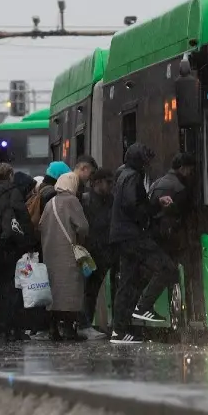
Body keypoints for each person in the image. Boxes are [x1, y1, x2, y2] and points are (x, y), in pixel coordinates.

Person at [108, 143, 175, 344]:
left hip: (120, 236)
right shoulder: (133, 176)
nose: (148, 164)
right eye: (146, 160)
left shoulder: (122, 174)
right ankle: (143, 308)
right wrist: (154, 206)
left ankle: (119, 331)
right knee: (166, 268)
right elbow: (132, 205)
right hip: (133, 235)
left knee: (127, 282)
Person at [0, 166, 39, 341]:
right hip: (12, 247)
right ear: (10, 175)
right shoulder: (13, 192)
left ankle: (0, 327)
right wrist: (30, 242)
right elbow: (22, 218)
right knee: (15, 288)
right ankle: (15, 328)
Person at [39, 172, 91, 341]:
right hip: (68, 254)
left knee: (54, 292)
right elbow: (83, 226)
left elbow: (40, 226)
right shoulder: (72, 201)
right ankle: (69, 329)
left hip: (50, 254)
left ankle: (53, 329)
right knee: (71, 291)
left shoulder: (50, 202)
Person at [80, 167, 115, 337]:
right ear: (97, 183)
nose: (110, 186)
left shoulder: (108, 200)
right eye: (107, 183)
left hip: (104, 250)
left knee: (91, 290)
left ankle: (86, 322)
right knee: (89, 290)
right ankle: (84, 323)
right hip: (92, 251)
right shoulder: (87, 201)